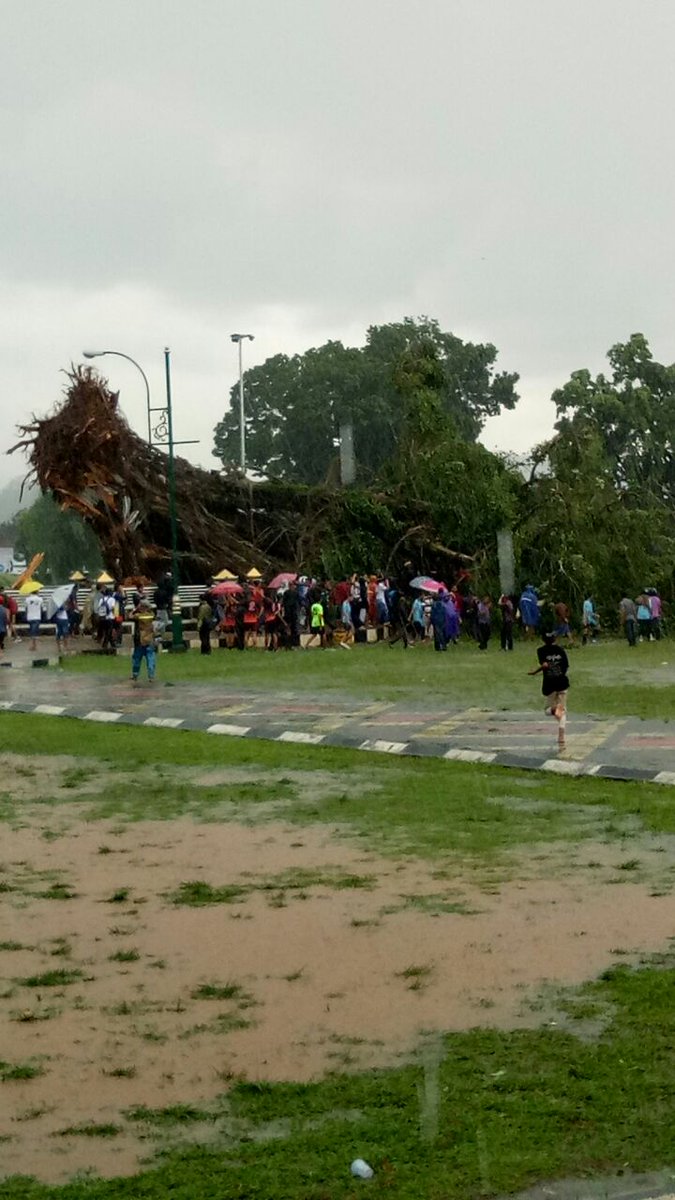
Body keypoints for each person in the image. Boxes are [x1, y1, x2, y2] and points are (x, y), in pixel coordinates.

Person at [528, 630, 570, 750]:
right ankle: (561, 737)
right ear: (555, 639)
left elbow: (545, 665)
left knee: (548, 711)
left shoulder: (541, 651)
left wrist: (535, 672)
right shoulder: (560, 650)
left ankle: (554, 711)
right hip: (562, 682)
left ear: (543, 640)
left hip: (550, 684)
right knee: (562, 712)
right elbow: (565, 666)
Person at [131, 599, 157, 684]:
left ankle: (135, 674)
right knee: (150, 658)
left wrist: (135, 609)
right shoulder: (151, 615)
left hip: (141, 640)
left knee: (137, 658)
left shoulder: (138, 616)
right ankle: (151, 676)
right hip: (150, 639)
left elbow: (130, 616)